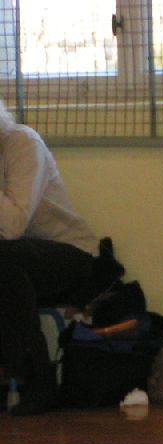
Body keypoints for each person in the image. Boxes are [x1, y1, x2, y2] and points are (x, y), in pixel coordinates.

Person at [0, 99, 121, 415]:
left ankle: (37, 378)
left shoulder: (22, 143)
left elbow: (11, 227)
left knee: (3, 260)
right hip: (17, 268)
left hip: (73, 258)